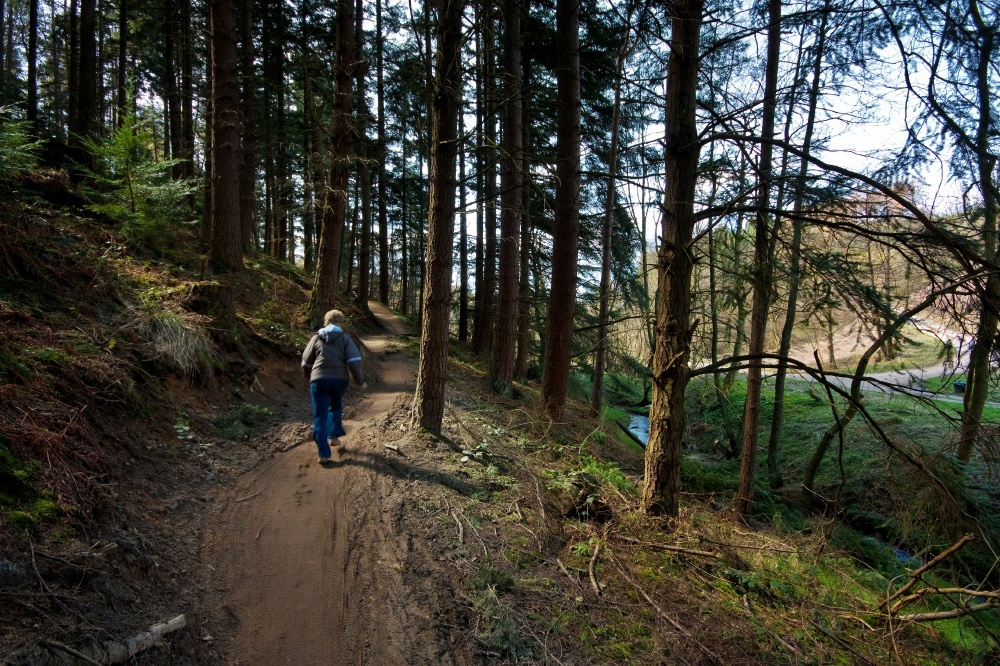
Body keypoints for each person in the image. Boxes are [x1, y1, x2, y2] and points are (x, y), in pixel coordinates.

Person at [301, 310, 367, 462]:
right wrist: (360, 380)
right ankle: (333, 437)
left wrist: (308, 376)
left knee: (320, 415)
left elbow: (306, 361)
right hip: (339, 380)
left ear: (326, 321)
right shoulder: (345, 339)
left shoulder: (317, 338)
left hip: (318, 381)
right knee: (335, 406)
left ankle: (323, 454)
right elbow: (354, 361)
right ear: (341, 322)